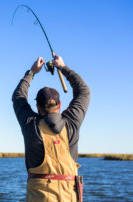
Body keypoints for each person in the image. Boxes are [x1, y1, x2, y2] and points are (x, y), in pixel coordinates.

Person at [12, 55, 90, 202]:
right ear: (60, 106)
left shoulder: (30, 125)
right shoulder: (72, 122)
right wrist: (63, 68)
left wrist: (32, 73)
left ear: (37, 107)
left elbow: (18, 97)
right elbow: (84, 91)